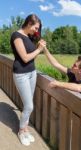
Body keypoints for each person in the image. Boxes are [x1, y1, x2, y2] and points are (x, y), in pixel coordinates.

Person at [10, 14, 46, 146]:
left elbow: (32, 58)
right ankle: (21, 131)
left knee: (28, 105)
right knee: (29, 105)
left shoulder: (29, 37)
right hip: (21, 74)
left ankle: (25, 129)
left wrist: (38, 46)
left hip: (32, 73)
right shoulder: (16, 36)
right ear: (29, 23)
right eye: (36, 28)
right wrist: (39, 49)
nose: (36, 31)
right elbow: (25, 58)